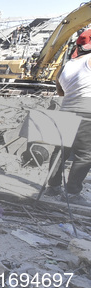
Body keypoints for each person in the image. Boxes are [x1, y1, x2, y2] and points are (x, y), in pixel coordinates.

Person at [45, 29, 91, 206]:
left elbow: (60, 91)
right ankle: (72, 193)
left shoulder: (66, 66)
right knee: (85, 155)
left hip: (66, 110)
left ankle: (53, 187)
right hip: (86, 113)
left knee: (60, 152)